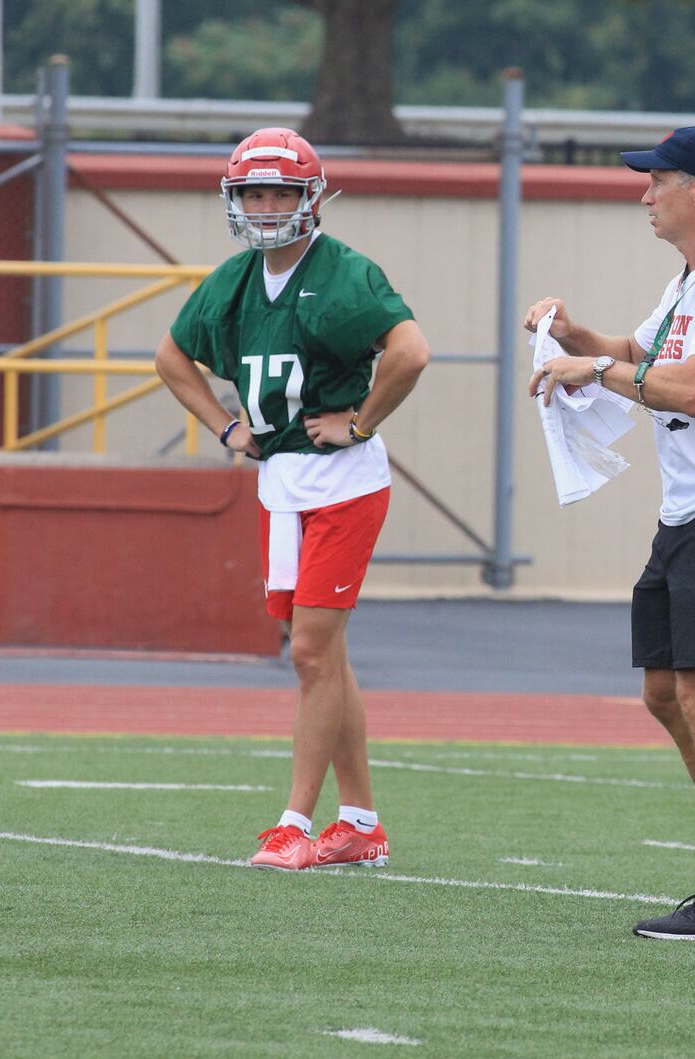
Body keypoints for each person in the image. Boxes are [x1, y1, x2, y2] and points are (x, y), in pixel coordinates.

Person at [525, 126, 695, 941]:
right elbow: (640, 352)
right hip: (692, 509)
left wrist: (598, 372)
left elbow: (694, 388)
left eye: (659, 179)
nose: (644, 193)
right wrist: (577, 337)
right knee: (663, 691)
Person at [154, 127, 430, 872]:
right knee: (322, 655)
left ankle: (294, 823)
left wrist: (361, 419)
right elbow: (170, 356)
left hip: (343, 482)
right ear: (234, 199)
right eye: (255, 192)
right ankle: (362, 823)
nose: (268, 205)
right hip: (281, 482)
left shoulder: (340, 275)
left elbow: (410, 351)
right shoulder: (237, 280)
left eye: (281, 191)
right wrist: (224, 427)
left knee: (309, 651)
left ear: (312, 198)